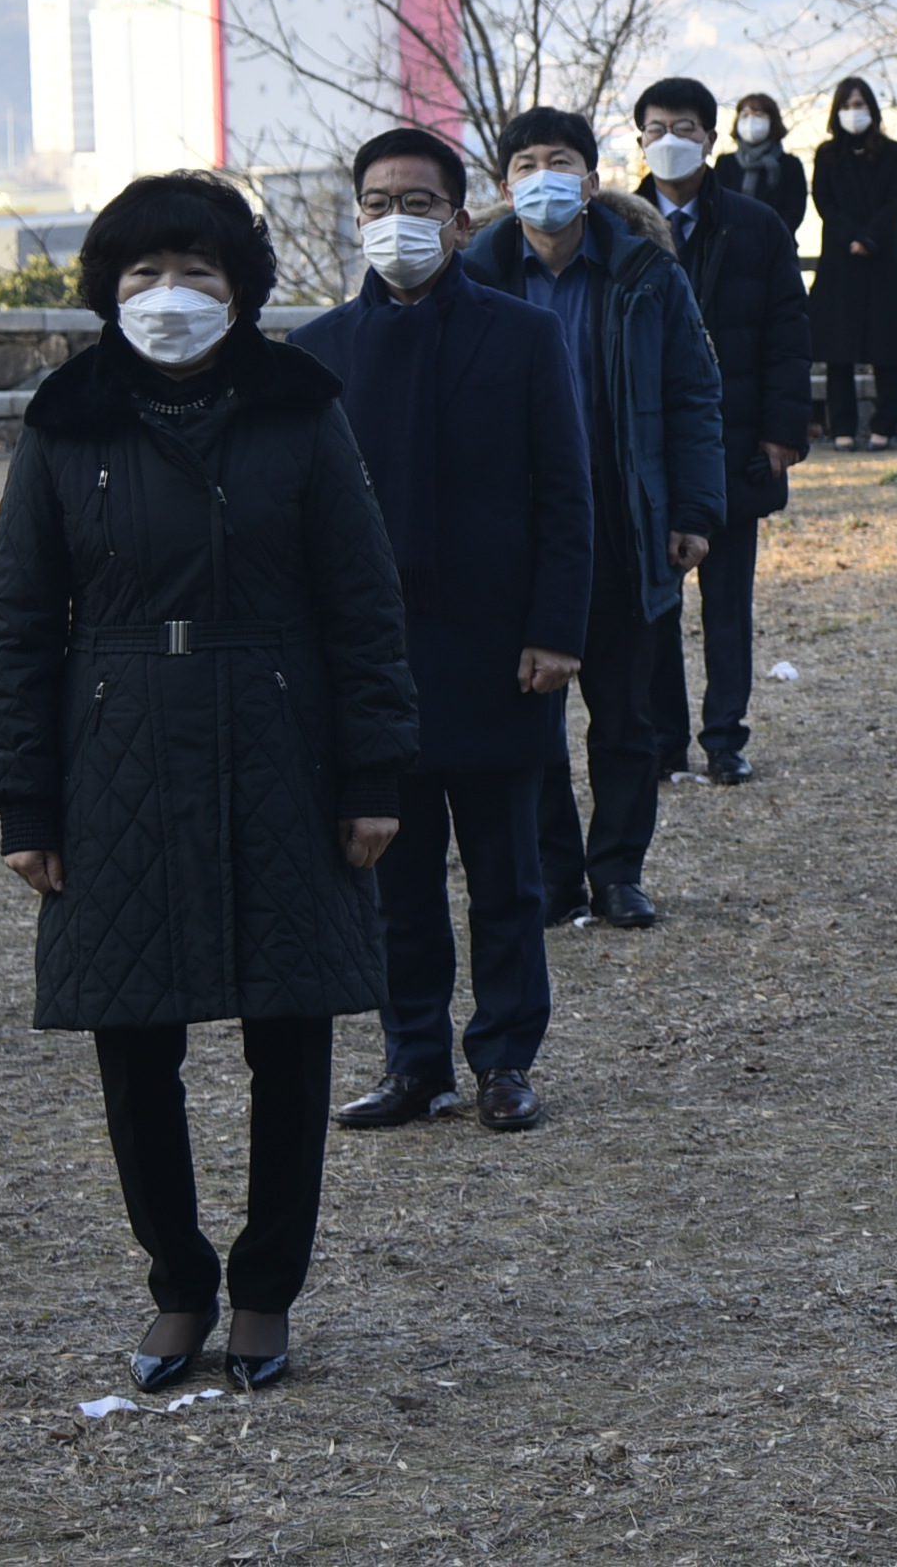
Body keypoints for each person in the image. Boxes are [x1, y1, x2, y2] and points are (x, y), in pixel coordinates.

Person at [0, 171, 416, 1393]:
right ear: (107, 291)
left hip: (282, 736)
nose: (169, 298)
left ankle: (267, 1285)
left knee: (292, 1035)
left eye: (198, 275)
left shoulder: (300, 409)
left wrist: (374, 769)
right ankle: (177, 1279)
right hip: (114, 742)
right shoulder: (67, 421)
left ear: (241, 290)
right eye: (142, 276)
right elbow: (22, 618)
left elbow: (364, 601)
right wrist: (27, 798)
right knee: (133, 1042)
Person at [292, 128, 592, 1136]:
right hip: (372, 658)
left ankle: (506, 1055)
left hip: (497, 643)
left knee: (508, 872)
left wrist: (556, 628)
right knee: (393, 874)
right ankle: (413, 1058)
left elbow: (564, 490)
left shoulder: (519, 334)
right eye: (376, 203)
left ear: (462, 220)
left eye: (416, 203)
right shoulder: (319, 351)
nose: (395, 221)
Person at [463, 109, 725, 929]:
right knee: (529, 715)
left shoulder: (646, 273)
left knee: (626, 716)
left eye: (562, 161)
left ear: (591, 176)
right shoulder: (474, 277)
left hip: (623, 517)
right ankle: (551, 871)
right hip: (514, 532)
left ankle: (618, 869)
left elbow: (693, 393)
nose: (545, 176)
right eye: (528, 162)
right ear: (508, 185)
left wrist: (692, 509)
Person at [637, 77, 811, 785]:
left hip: (735, 444)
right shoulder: (618, 226)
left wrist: (782, 433)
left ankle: (724, 737)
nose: (668, 141)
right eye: (655, 128)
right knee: (654, 605)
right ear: (638, 139)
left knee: (728, 604)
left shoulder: (755, 224)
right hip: (646, 445)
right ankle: (663, 740)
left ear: (712, 138)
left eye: (684, 127)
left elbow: (788, 335)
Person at [810, 76, 897, 450]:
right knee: (839, 350)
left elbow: (893, 200)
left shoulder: (893, 152)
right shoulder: (826, 154)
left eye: (861, 104)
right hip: (839, 260)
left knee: (885, 349)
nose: (855, 112)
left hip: (881, 258)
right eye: (848, 105)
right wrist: (850, 237)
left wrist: (869, 239)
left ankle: (885, 427)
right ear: (837, 111)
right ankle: (843, 429)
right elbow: (824, 202)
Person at [719, 91, 810, 238]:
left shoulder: (789, 164)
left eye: (758, 115)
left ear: (772, 120)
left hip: (777, 246)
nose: (750, 120)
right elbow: (719, 207)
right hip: (732, 245)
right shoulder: (726, 164)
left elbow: (794, 211)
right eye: (745, 115)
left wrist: (768, 237)